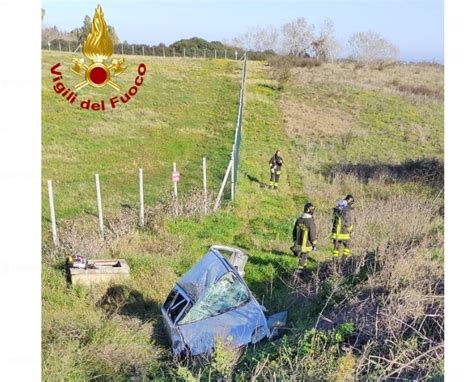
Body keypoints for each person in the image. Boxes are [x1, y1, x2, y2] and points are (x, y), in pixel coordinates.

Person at [292, 202, 318, 271]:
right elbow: (312, 234)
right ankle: (299, 273)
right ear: (309, 210)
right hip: (307, 244)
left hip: (299, 243)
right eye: (312, 209)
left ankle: (304, 270)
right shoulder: (310, 221)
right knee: (303, 258)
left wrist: (295, 240)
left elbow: (294, 231)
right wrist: (314, 244)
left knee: (304, 257)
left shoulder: (299, 219)